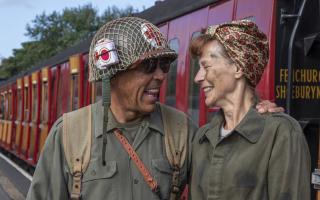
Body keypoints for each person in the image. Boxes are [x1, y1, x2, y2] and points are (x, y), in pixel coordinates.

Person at [27, 17, 282, 200]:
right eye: (149, 67)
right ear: (112, 76)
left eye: (164, 66)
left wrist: (253, 116)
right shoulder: (70, 133)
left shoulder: (182, 131)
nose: (160, 75)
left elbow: (226, 175)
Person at [189, 20, 311, 200]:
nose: (197, 78)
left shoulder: (282, 134)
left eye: (206, 66)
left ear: (238, 68)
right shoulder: (202, 138)